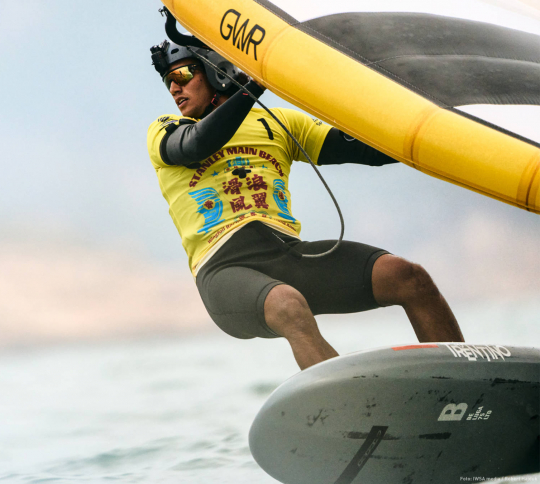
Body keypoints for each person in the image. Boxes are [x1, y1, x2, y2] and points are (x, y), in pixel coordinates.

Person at [146, 40, 465, 370]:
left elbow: (369, 150)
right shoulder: (166, 130)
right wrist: (256, 83)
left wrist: (440, 131)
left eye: (182, 75)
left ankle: (463, 381)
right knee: (288, 305)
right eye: (168, 81)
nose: (174, 88)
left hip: (288, 257)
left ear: (217, 71)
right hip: (224, 272)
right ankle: (352, 400)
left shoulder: (278, 123)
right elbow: (197, 145)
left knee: (408, 277)